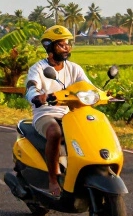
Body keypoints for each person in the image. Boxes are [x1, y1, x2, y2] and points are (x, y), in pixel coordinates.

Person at [23, 25, 90, 197]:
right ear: (50, 47)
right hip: (45, 114)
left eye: (68, 44)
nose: (66, 47)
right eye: (61, 44)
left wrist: (103, 94)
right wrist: (37, 96)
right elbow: (31, 86)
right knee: (55, 132)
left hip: (69, 114)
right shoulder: (38, 69)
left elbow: (87, 86)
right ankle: (53, 179)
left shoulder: (74, 68)